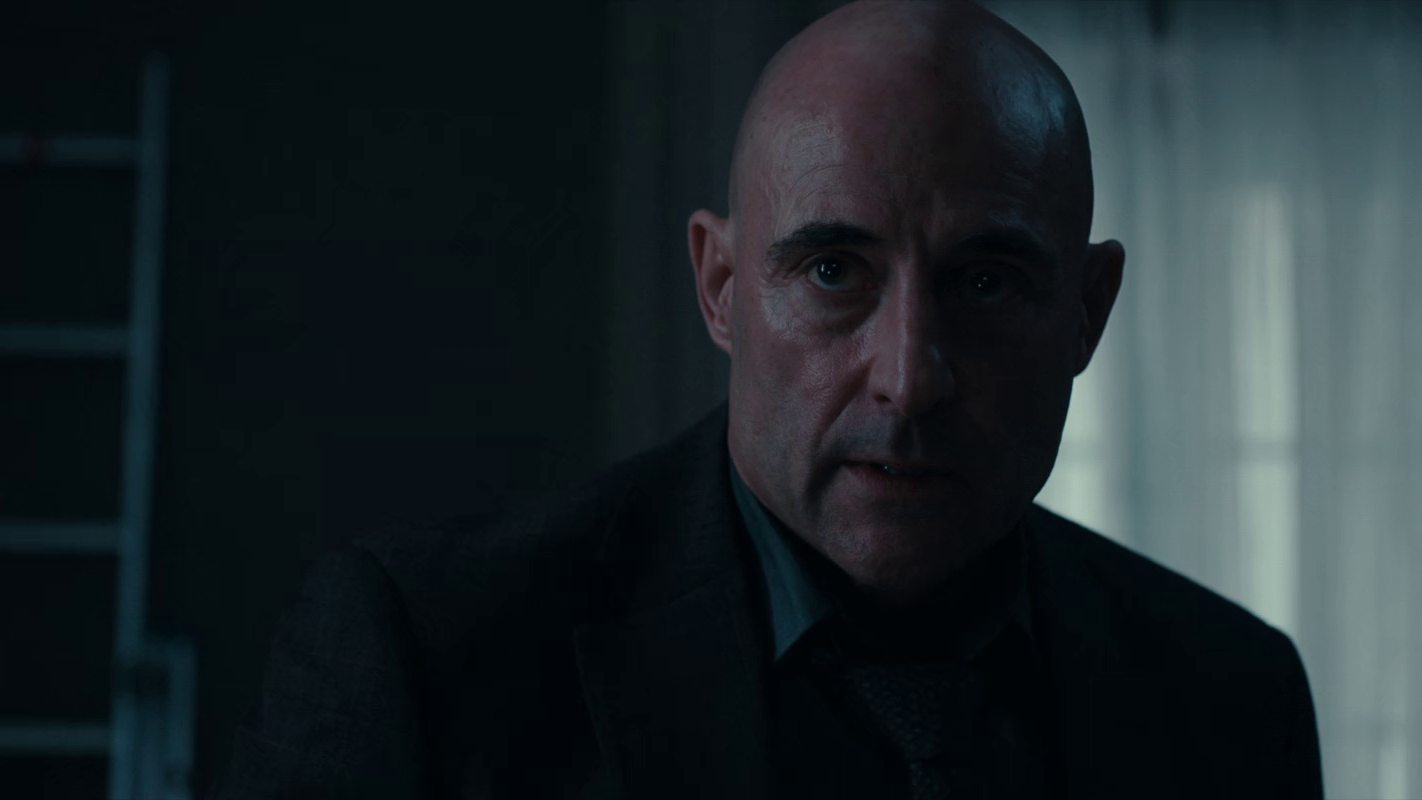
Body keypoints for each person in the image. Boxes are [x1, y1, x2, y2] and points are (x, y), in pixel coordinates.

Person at [210, 1, 1324, 797]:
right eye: (834, 270)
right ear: (720, 286)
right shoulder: (430, 659)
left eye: (985, 282)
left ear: (1088, 311)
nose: (908, 377)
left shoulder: (1233, 698)